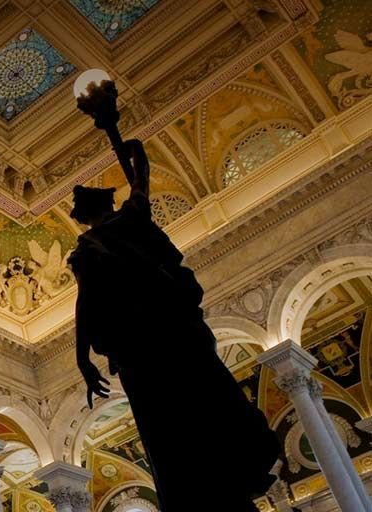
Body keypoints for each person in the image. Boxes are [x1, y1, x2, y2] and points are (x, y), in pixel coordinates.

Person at [68, 139, 280, 511]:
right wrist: (138, 154)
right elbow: (141, 184)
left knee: (168, 430)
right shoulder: (129, 218)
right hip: (174, 334)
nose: (75, 214)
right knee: (208, 401)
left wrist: (83, 359)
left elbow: (86, 306)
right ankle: (233, 469)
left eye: (77, 209)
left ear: (89, 212)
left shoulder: (91, 245)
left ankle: (198, 488)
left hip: (143, 350)